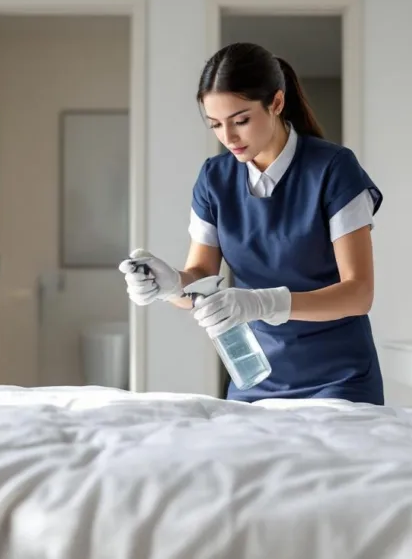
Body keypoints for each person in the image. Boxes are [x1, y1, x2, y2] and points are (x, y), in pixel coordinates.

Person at [119, 42, 384, 405]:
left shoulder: (334, 169)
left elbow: (359, 293)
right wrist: (172, 286)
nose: (228, 138)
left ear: (276, 103)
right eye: (215, 124)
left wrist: (265, 303)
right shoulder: (215, 179)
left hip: (339, 380)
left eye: (241, 120)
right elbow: (201, 277)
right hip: (254, 377)